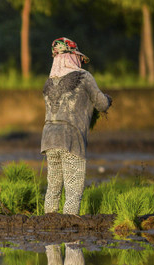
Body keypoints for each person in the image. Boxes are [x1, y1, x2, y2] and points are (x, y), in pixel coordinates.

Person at [41, 37, 112, 215]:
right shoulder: (84, 76)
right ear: (73, 56)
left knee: (53, 187)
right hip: (71, 137)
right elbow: (101, 104)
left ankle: (50, 229)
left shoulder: (48, 83)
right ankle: (71, 233)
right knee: (73, 190)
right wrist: (109, 100)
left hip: (49, 137)